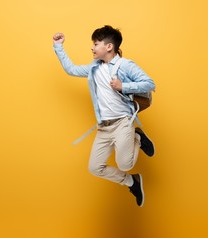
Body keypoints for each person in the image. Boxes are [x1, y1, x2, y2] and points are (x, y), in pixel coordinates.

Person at [52, 25, 155, 207]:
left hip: (123, 122)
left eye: (96, 43)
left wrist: (124, 86)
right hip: (103, 127)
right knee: (95, 168)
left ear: (109, 47)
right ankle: (132, 182)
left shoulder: (125, 65)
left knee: (124, 164)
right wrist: (58, 46)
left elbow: (149, 83)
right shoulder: (94, 68)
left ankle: (137, 137)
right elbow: (71, 69)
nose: (92, 47)